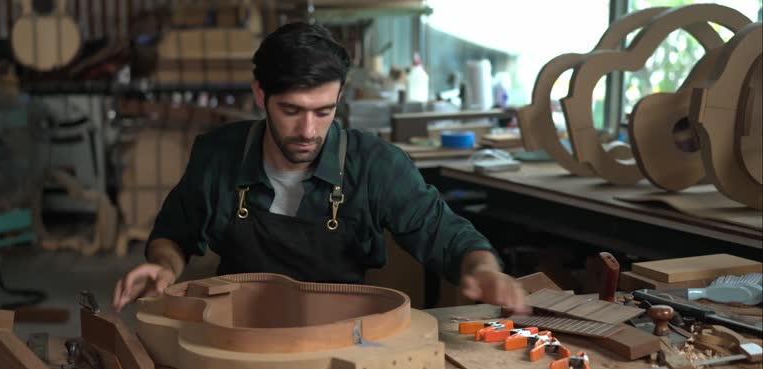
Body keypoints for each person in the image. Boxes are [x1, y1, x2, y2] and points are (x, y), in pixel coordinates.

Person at [112, 22, 527, 313]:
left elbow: (449, 238)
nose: (308, 131)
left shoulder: (376, 165)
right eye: (291, 110)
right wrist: (164, 267)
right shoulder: (218, 155)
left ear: (340, 97)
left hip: (343, 334)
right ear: (261, 94)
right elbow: (173, 235)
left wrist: (484, 271)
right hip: (236, 330)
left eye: (324, 111)